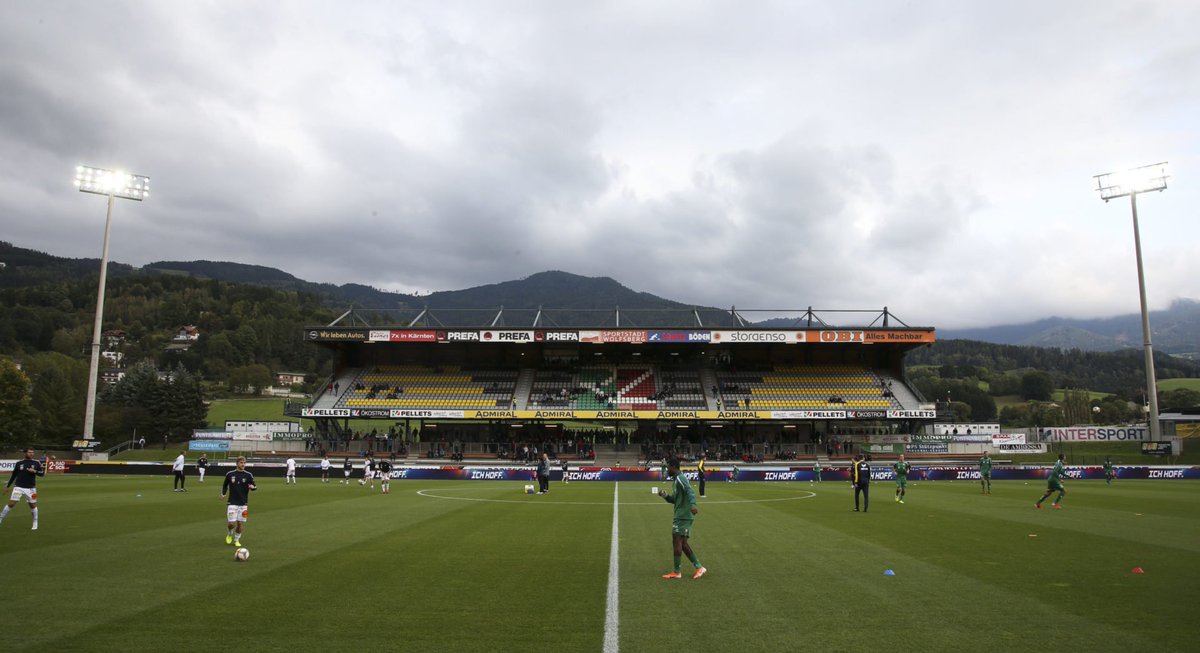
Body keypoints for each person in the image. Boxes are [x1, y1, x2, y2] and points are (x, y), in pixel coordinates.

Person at [659, 459, 706, 580]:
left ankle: (677, 572)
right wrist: (666, 496)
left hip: (683, 515)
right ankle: (698, 567)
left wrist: (693, 505)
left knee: (677, 540)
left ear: (674, 467)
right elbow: (675, 500)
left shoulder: (681, 478)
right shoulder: (675, 481)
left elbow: (690, 491)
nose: (667, 470)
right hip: (681, 514)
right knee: (682, 543)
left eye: (668, 467)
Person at [1, 448, 45, 530]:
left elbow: (42, 474)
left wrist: (34, 471)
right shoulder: (19, 463)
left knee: (33, 505)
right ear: (25, 453)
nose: (31, 454)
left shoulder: (36, 463)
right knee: (11, 504)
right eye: (29, 452)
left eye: (32, 452)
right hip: (18, 487)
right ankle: (1, 518)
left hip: (32, 488)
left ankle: (35, 522)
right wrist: (7, 486)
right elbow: (13, 475)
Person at [221, 456, 257, 546]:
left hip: (243, 503)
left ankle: (237, 540)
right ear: (237, 463)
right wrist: (223, 494)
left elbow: (254, 486)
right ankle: (230, 533)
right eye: (241, 463)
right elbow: (225, 485)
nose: (243, 464)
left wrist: (253, 488)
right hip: (232, 502)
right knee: (231, 523)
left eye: (244, 463)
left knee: (240, 523)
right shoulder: (230, 474)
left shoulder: (249, 475)